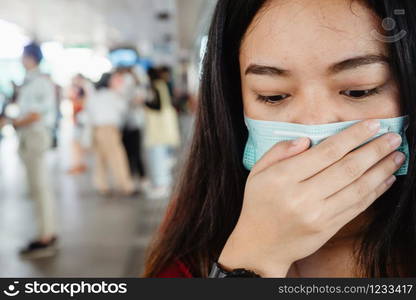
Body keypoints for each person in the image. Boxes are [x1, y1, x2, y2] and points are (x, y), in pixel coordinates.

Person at [144, 0, 416, 277]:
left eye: (359, 91)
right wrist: (253, 256)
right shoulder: (192, 253)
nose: (313, 122)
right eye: (273, 95)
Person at [11, 42, 58, 258]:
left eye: (23, 56)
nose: (21, 60)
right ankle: (45, 233)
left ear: (30, 57)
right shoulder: (30, 82)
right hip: (29, 136)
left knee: (40, 187)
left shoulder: (40, 82)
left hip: (36, 134)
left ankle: (45, 237)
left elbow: (37, 113)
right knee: (37, 188)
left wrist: (16, 122)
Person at [86, 71, 136, 197]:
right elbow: (123, 109)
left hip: (97, 129)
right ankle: (125, 186)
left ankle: (101, 185)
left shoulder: (95, 96)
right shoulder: (113, 95)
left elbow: (89, 113)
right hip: (109, 129)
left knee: (100, 159)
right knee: (117, 157)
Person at [144, 67, 181, 199]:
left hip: (159, 126)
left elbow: (157, 106)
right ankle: (164, 183)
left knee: (158, 156)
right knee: (163, 155)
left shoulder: (156, 86)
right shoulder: (163, 84)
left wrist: (144, 104)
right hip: (165, 123)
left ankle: (162, 185)